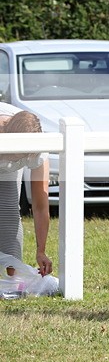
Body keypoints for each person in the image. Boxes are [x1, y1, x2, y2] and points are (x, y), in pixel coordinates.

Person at [0, 104, 52, 277]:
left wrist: (41, 251)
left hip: (7, 168)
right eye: (14, 154)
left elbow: (40, 205)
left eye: (20, 156)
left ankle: (12, 281)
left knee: (8, 212)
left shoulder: (38, 151)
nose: (13, 159)